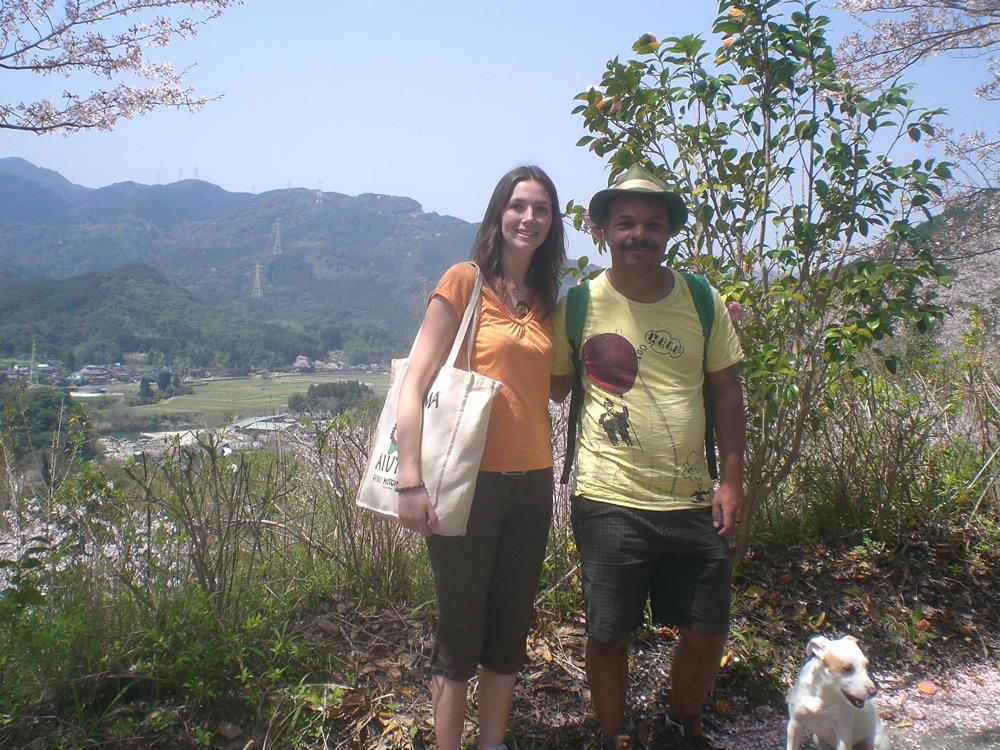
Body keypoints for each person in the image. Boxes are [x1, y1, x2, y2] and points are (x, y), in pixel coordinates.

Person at [550, 164, 746, 750]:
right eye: (626, 222)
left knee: (708, 627)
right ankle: (615, 736)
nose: (639, 233)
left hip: (693, 497)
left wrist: (732, 479)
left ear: (669, 232)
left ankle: (680, 726)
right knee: (608, 633)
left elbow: (726, 391)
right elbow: (554, 387)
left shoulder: (702, 299)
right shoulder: (579, 304)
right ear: (603, 230)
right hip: (609, 498)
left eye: (652, 224)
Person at [394, 165, 566, 750]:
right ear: (499, 213)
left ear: (552, 223)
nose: (529, 218)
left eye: (541, 209)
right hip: (465, 482)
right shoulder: (465, 282)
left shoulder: (547, 299)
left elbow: (557, 384)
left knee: (509, 630)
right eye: (519, 206)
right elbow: (413, 384)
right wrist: (410, 481)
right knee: (461, 630)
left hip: (533, 483)